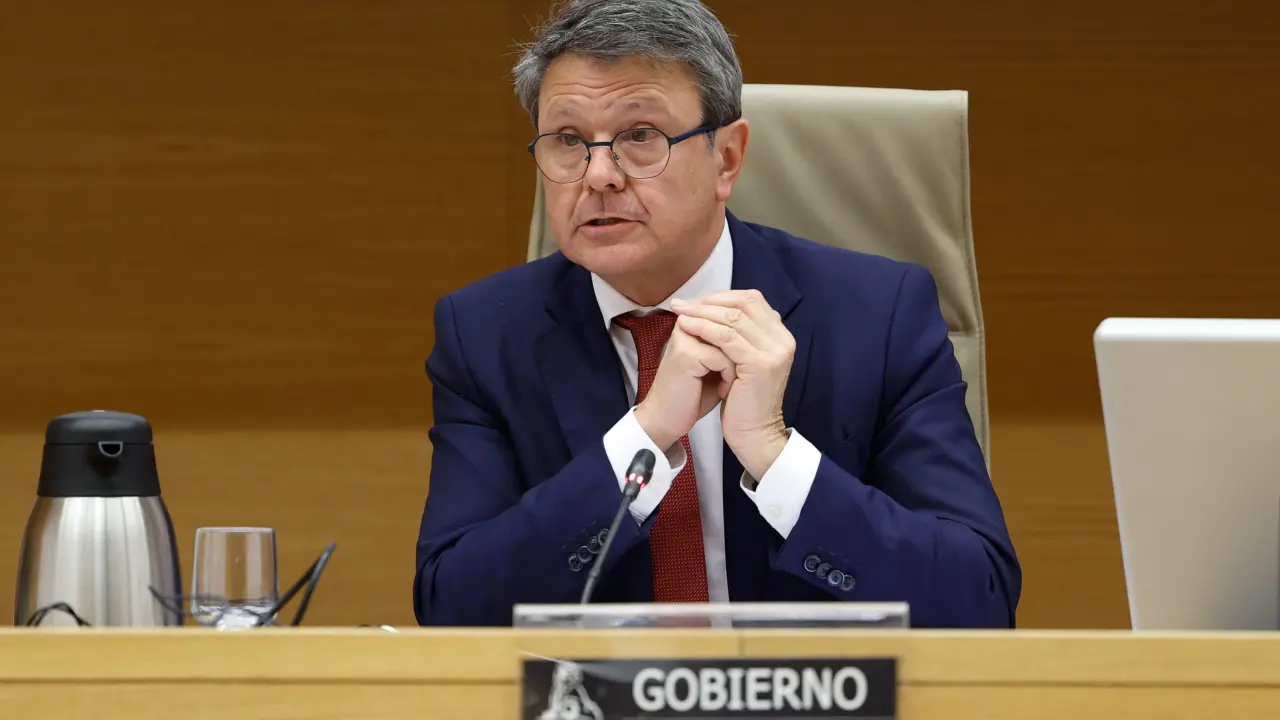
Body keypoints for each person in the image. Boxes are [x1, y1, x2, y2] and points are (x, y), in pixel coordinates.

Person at [413, 0, 1021, 628]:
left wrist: (773, 453)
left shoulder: (878, 316)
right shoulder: (485, 335)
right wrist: (645, 435)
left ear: (727, 158)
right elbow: (453, 611)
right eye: (568, 141)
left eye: (640, 136)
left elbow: (977, 601)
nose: (598, 175)